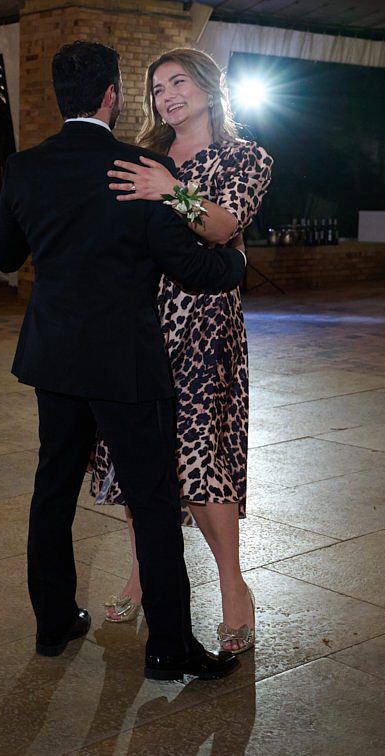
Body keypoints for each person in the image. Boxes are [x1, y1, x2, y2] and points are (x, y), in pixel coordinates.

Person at [0, 40, 246, 680]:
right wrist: (237, 258)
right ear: (113, 95)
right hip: (127, 365)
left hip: (53, 357)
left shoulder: (23, 169)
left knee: (53, 489)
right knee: (154, 501)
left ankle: (54, 622)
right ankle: (168, 649)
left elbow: (1, 257)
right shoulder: (139, 168)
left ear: (59, 96)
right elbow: (191, 267)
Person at [91, 48, 273, 654]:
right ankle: (144, 574)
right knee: (139, 459)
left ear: (210, 87)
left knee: (200, 458)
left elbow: (224, 227)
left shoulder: (246, 157)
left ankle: (232, 587)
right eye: (158, 88)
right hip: (140, 322)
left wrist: (171, 190)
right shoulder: (138, 156)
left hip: (203, 323)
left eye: (178, 82)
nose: (167, 95)